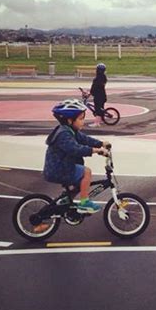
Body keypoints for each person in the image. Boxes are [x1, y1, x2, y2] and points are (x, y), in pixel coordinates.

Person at [42, 99, 109, 233]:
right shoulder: (64, 134)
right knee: (86, 172)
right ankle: (84, 203)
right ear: (69, 120)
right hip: (58, 169)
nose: (83, 121)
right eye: (80, 118)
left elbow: (84, 139)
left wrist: (100, 143)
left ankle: (67, 200)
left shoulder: (70, 131)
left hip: (62, 167)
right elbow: (75, 149)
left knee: (80, 182)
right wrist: (95, 150)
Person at [85, 63, 108, 127]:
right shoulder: (104, 77)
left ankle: (97, 123)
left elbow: (94, 87)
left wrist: (90, 93)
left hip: (98, 96)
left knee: (98, 109)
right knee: (101, 108)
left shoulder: (97, 79)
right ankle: (101, 120)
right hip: (102, 95)